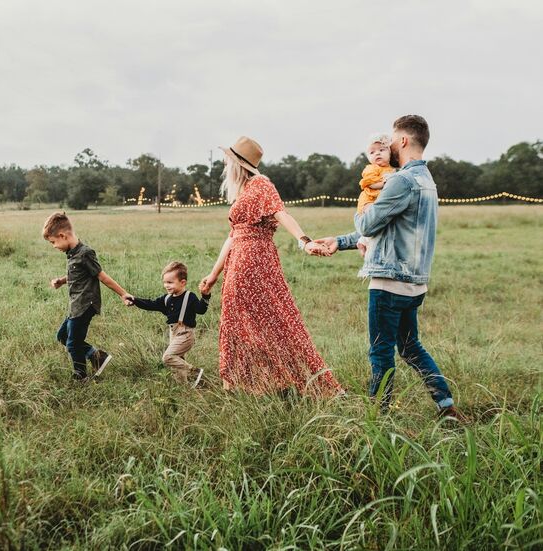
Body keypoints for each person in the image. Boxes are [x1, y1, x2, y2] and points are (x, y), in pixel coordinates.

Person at [312, 115, 464, 420]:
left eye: (393, 140)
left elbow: (368, 222)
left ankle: (376, 419)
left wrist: (362, 207)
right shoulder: (427, 181)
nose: (389, 145)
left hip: (389, 282)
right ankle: (446, 406)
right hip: (414, 283)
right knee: (409, 348)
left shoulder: (401, 180)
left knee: (381, 351)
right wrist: (340, 242)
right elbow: (387, 229)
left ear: (404, 141)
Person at [199, 136, 344, 396]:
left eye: (228, 160)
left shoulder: (260, 184)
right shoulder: (243, 191)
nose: (224, 165)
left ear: (238, 164)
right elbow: (232, 237)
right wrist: (213, 274)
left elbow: (281, 213)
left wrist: (304, 241)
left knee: (271, 320)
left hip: (254, 260)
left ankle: (276, 380)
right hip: (239, 261)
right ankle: (244, 383)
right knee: (237, 321)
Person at [43, 212, 133, 381]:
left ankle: (81, 376)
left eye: (53, 242)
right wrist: (62, 281)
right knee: (62, 336)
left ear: (62, 235)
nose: (54, 246)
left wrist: (123, 294)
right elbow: (77, 275)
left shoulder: (85, 253)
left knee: (73, 343)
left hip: (85, 305)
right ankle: (97, 357)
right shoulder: (72, 253)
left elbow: (102, 276)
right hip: (75, 305)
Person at [127, 261, 210, 387]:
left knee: (168, 357)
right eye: (165, 282)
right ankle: (183, 387)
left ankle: (194, 372)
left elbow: (201, 310)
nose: (166, 285)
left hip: (186, 334)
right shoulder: (167, 298)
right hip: (174, 333)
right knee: (178, 362)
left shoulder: (189, 297)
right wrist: (134, 300)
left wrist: (205, 296)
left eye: (170, 282)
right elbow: (151, 304)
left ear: (183, 282)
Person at [356, 134, 395, 257]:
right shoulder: (371, 168)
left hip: (379, 200)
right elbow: (370, 183)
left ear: (390, 153)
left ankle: (363, 241)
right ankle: (365, 242)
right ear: (368, 157)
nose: (377, 154)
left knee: (381, 223)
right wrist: (385, 183)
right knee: (372, 218)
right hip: (369, 199)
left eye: (381, 150)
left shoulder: (392, 169)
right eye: (372, 152)